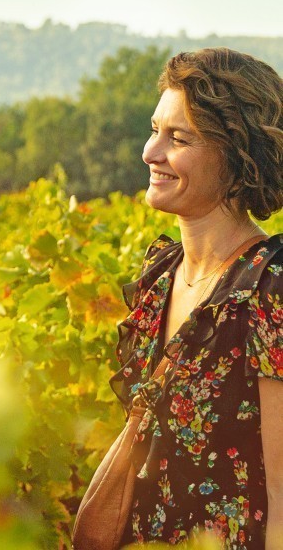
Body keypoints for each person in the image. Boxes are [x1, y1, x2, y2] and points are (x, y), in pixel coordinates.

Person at [109, 48, 283, 548]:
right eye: (154, 129)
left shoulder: (270, 288)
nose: (150, 152)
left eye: (178, 138)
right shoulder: (159, 276)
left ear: (236, 157)